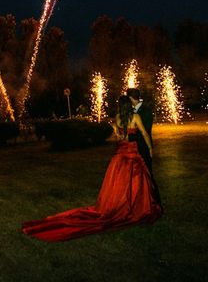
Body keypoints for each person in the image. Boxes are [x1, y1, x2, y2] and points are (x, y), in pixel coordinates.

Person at [21, 95, 162, 242]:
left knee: (118, 182)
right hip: (132, 152)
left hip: (120, 153)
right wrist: (150, 148)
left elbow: (118, 137)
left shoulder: (118, 117)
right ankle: (134, 207)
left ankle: (119, 205)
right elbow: (145, 133)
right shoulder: (135, 117)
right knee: (135, 180)